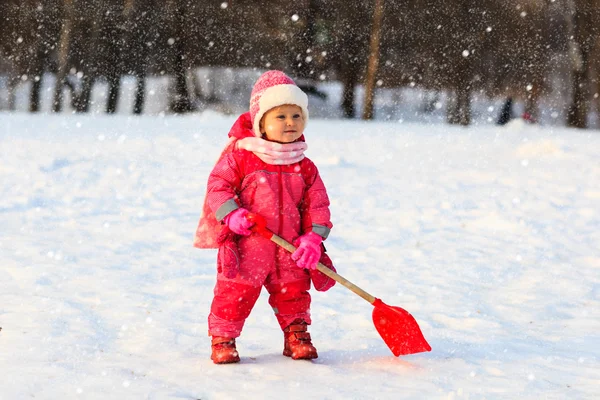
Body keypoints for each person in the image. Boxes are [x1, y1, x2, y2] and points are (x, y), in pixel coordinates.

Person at [194, 70, 336, 364]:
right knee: (235, 292)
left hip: (291, 246)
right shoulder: (242, 157)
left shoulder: (305, 165)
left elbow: (318, 205)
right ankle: (223, 338)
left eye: (296, 116)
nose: (289, 123)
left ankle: (296, 333)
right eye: (280, 116)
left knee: (294, 292)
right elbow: (217, 187)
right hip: (249, 244)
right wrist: (232, 215)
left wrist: (312, 238)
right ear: (261, 122)